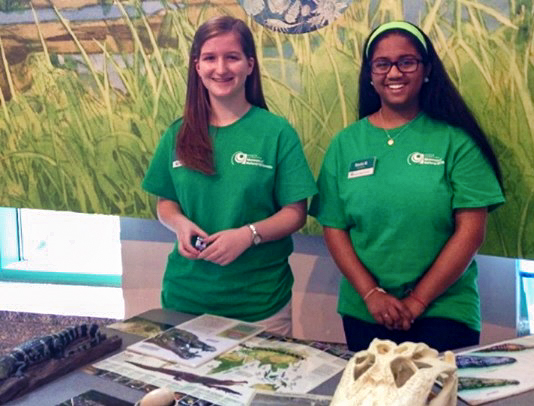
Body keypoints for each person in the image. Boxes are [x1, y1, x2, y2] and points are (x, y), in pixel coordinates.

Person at [309, 20, 505, 352]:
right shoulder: (346, 143)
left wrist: (417, 301)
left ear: (426, 69)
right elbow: (334, 226)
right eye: (382, 64)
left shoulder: (455, 141)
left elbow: (470, 232)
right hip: (366, 310)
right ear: (370, 74)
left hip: (444, 310)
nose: (394, 72)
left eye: (407, 62)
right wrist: (372, 295)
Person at [142, 16, 317, 336]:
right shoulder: (177, 134)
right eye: (210, 58)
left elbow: (295, 213)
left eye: (232, 57)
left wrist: (247, 235)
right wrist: (179, 225)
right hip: (184, 299)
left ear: (250, 65)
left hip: (259, 305)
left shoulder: (276, 133)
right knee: (182, 388)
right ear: (197, 66)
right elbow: (165, 203)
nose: (220, 68)